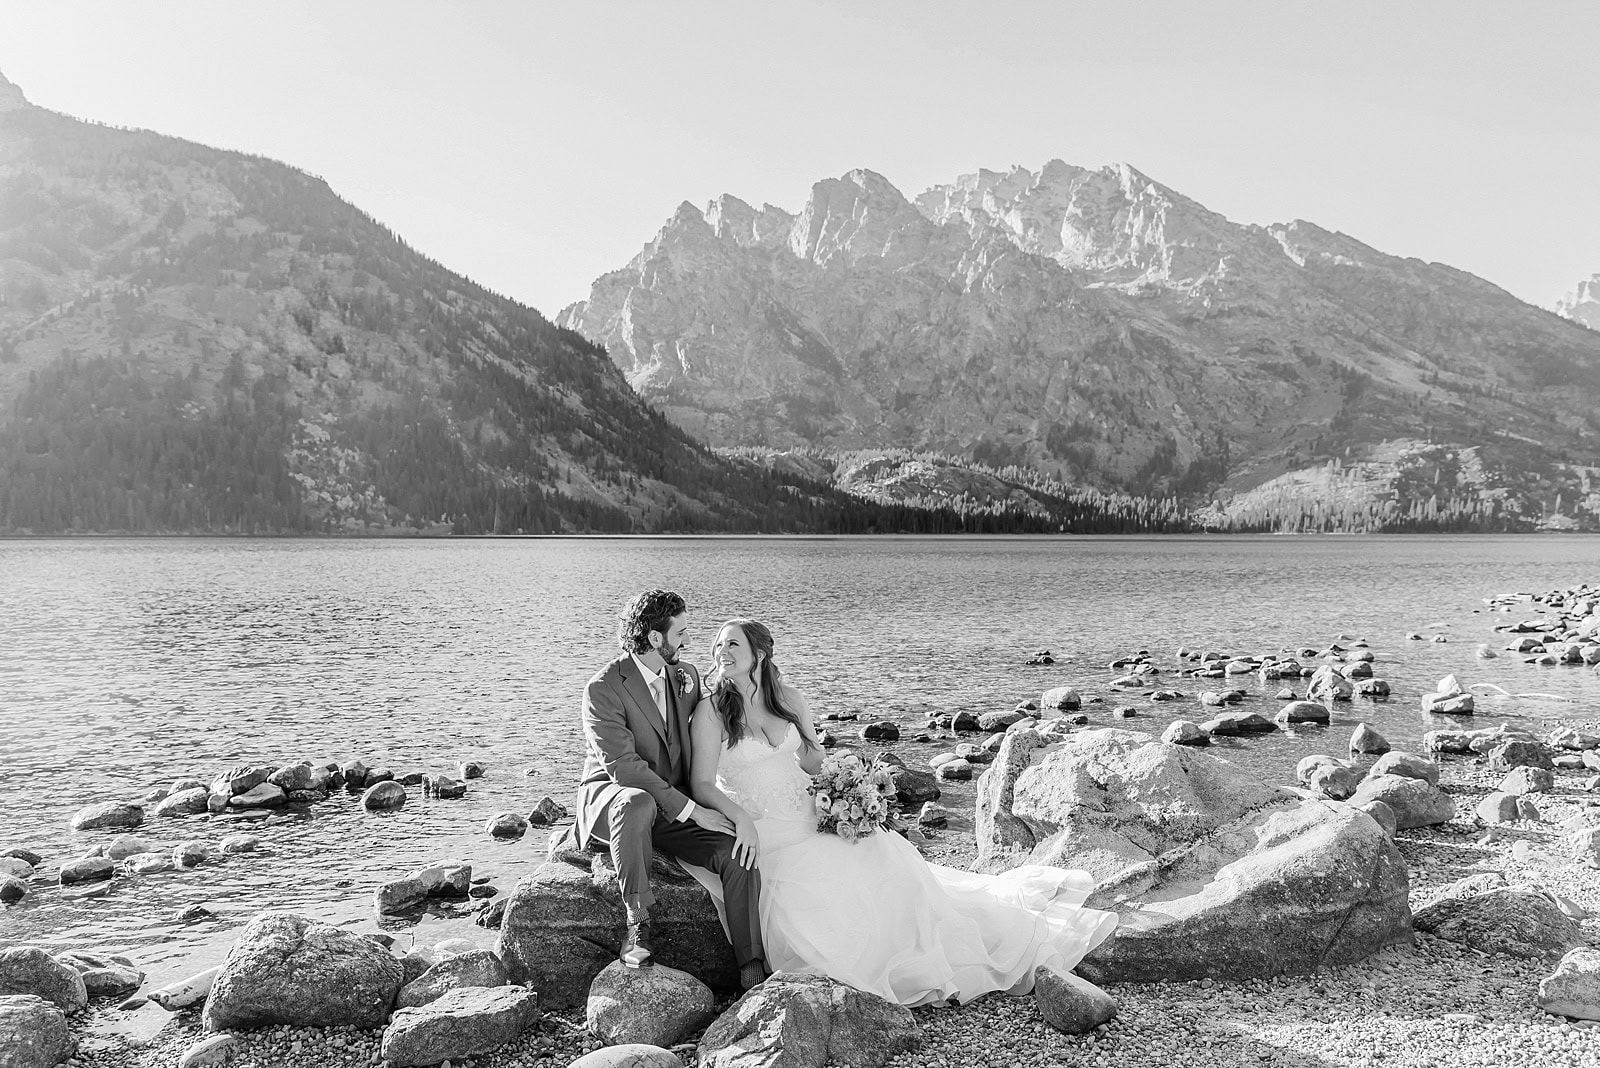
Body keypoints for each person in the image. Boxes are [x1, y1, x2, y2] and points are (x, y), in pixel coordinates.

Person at [687, 618, 1117, 1007]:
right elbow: (703, 782)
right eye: (718, 645)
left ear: (759, 655)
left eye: (732, 644)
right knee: (816, 892)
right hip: (764, 828)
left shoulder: (790, 700)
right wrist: (740, 818)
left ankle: (920, 954)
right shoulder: (712, 711)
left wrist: (850, 789)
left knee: (885, 860)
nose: (721, 652)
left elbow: (814, 762)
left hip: (811, 812)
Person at [574, 590, 767, 990]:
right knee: (637, 799)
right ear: (656, 638)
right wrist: (694, 811)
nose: (686, 640)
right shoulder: (603, 688)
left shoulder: (687, 676)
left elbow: (722, 713)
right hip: (617, 800)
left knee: (737, 852)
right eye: (680, 632)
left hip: (674, 804)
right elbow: (624, 769)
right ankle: (638, 924)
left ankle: (751, 964)